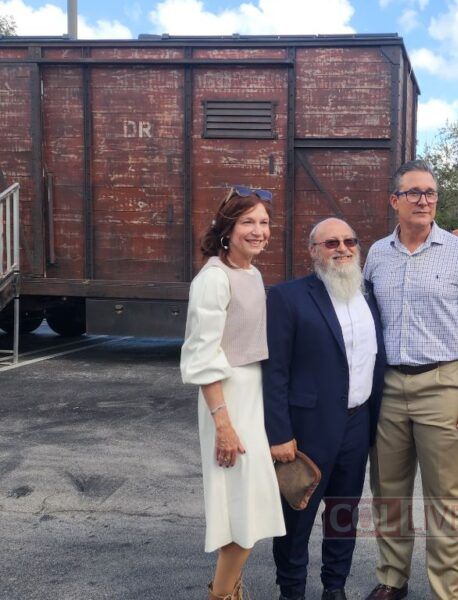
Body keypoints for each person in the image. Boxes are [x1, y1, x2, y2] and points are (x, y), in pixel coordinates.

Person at [363, 160, 458, 600]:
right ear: (394, 200)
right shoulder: (377, 254)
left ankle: (448, 591)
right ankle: (392, 579)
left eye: (431, 193)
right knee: (388, 492)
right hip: (388, 387)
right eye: (414, 192)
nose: (424, 200)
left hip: (444, 385)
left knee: (449, 500)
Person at [264, 218, 387, 600]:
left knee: (343, 514)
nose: (343, 249)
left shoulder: (368, 295)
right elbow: (274, 372)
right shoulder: (288, 298)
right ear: (313, 251)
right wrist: (279, 433)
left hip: (357, 423)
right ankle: (292, 591)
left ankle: (335, 587)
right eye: (332, 243)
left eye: (350, 241)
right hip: (307, 431)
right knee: (296, 518)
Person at [180, 185, 286, 600]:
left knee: (249, 505)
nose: (258, 230)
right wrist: (223, 424)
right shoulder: (213, 279)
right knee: (242, 505)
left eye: (264, 222)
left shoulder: (252, 273)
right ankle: (223, 593)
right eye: (248, 222)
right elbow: (202, 355)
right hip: (229, 398)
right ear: (227, 229)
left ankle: (229, 588)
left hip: (253, 393)